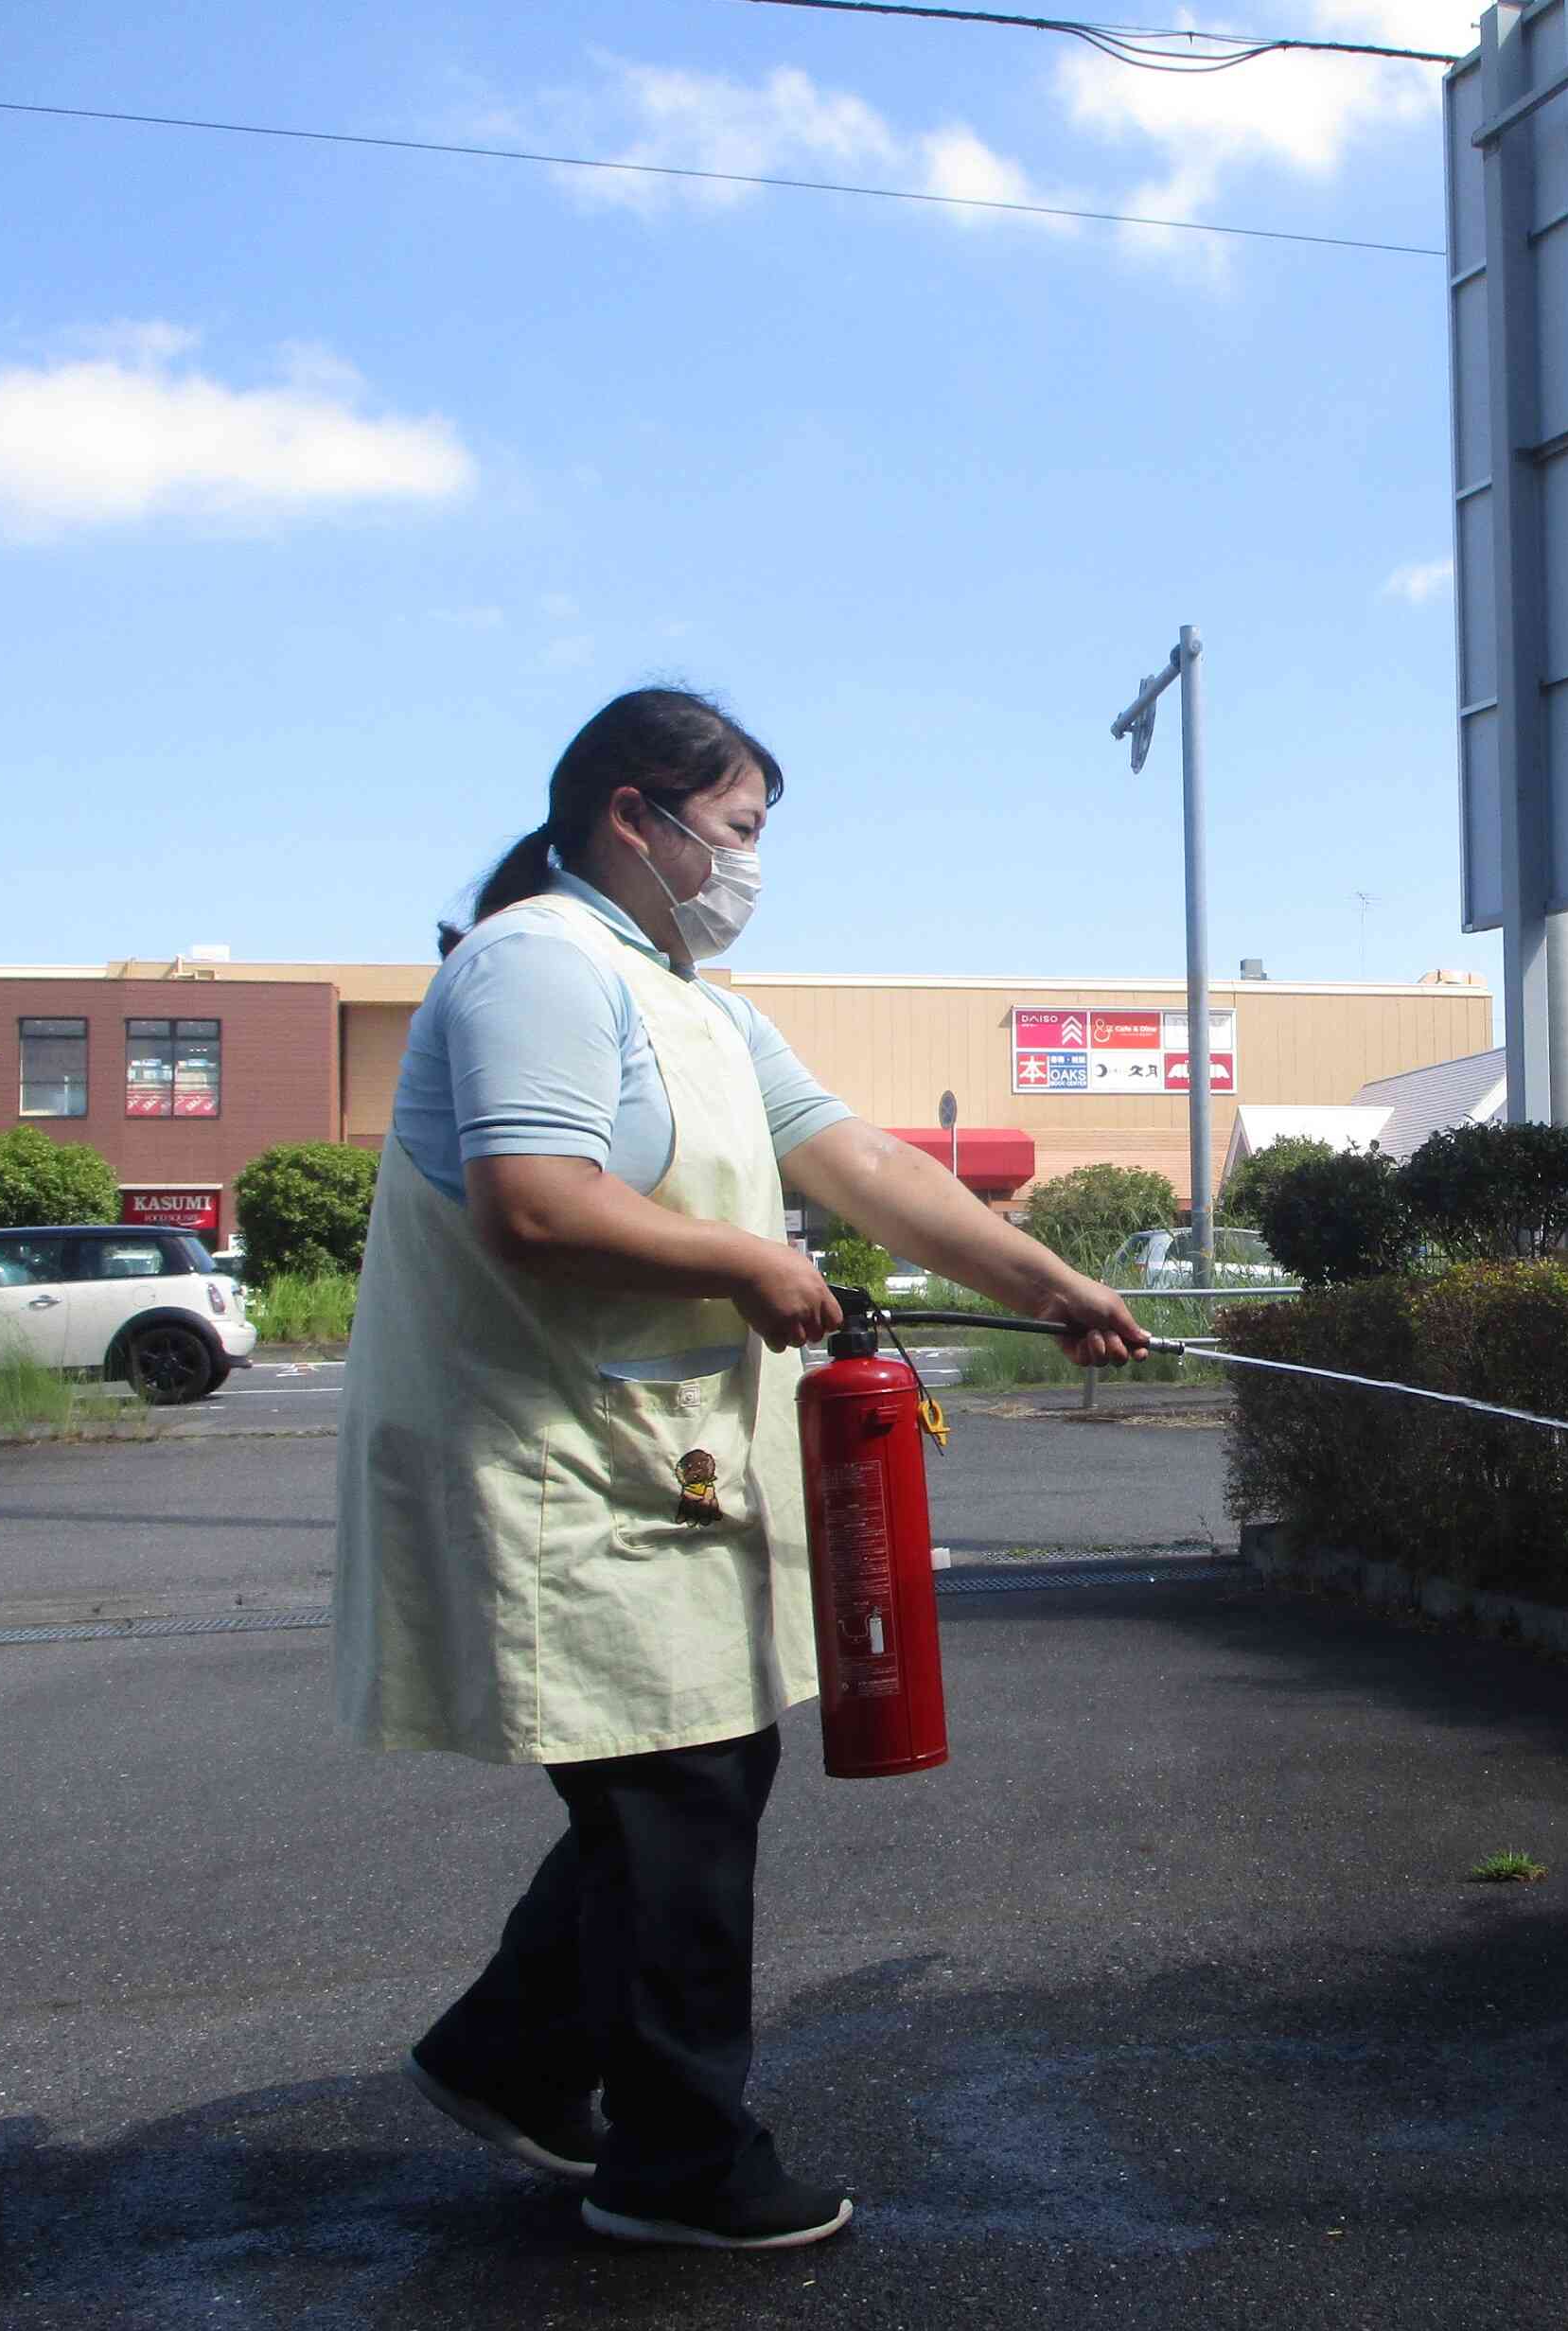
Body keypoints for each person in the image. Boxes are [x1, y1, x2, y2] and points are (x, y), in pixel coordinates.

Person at [334, 688, 1149, 2252]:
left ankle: (508, 2057)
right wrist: (741, 1263)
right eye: (741, 830)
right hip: (554, 1464)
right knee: (679, 1799)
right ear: (634, 815)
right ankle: (680, 2166)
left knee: (691, 1784)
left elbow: (869, 1167)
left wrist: (1047, 1286)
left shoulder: (692, 995)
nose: (750, 866)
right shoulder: (537, 965)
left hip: (651, 1465)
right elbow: (535, 1205)